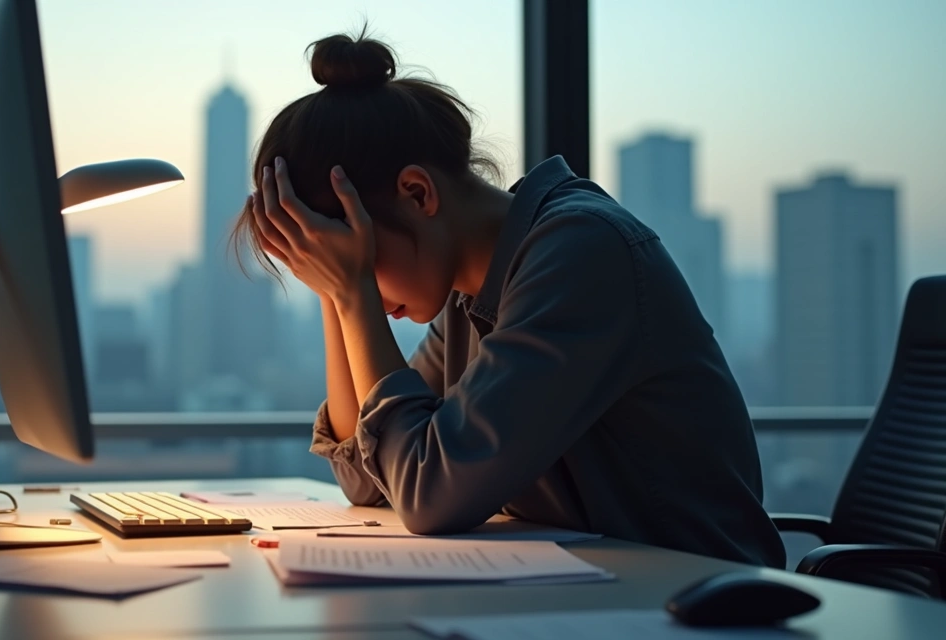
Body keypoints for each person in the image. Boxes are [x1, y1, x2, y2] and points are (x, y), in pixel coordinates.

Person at [232, 30, 786, 568]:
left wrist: (353, 293)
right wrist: (336, 291)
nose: (351, 278)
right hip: (594, 589)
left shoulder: (580, 253)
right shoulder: (468, 293)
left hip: (697, 597)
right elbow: (366, 476)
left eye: (352, 255)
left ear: (417, 193)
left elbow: (429, 493)